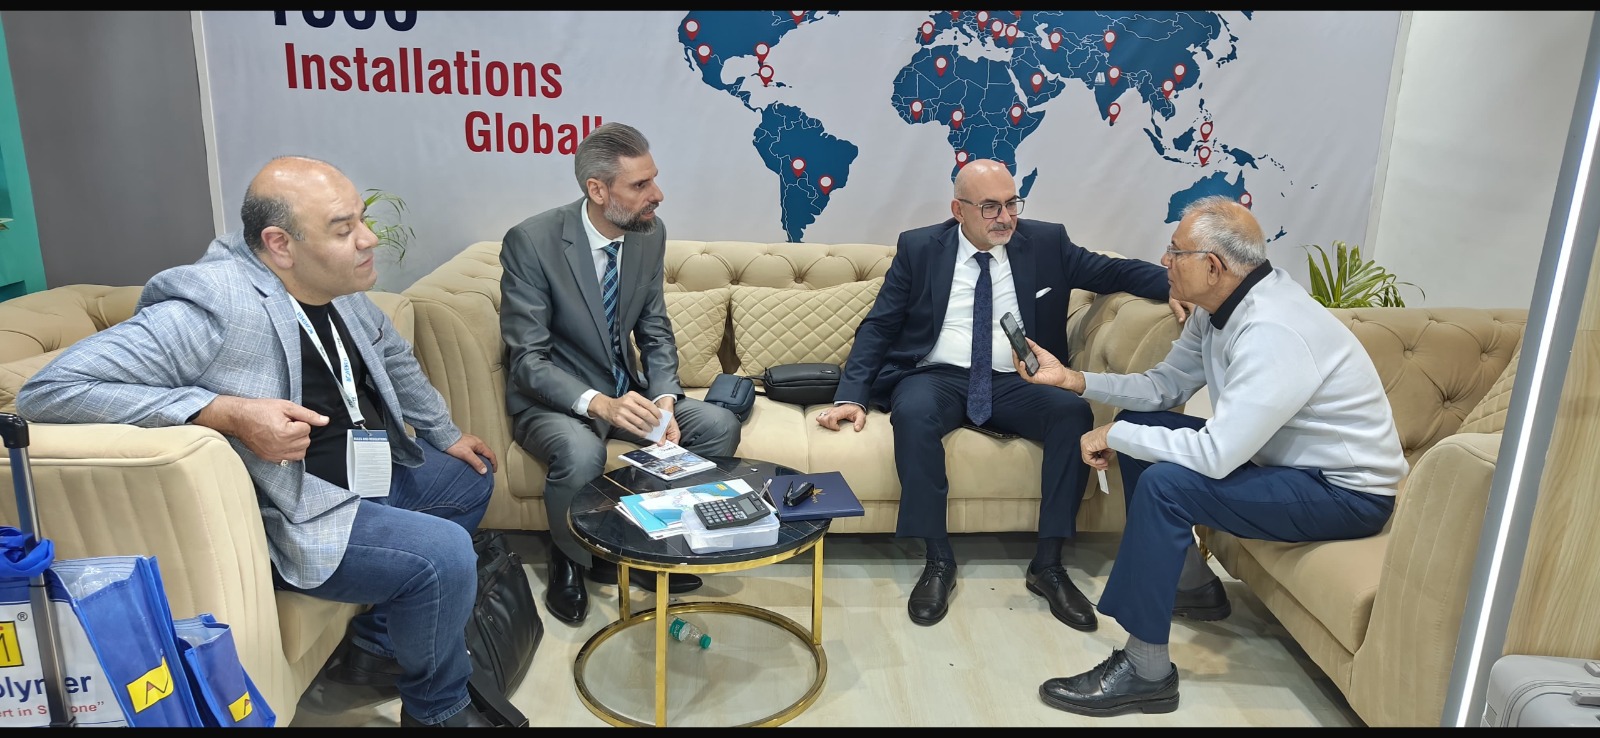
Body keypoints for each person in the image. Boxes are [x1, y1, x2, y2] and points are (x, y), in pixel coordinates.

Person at [17, 156, 501, 728]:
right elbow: (49, 391)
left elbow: (392, 357)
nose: (369, 238)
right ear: (280, 245)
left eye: (361, 220)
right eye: (343, 229)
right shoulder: (214, 306)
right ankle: (437, 711)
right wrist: (224, 412)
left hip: (362, 478)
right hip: (298, 509)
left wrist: (446, 434)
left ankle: (378, 643)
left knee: (471, 474)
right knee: (444, 554)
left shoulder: (336, 283)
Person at [1015, 195, 1407, 717]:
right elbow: (1163, 387)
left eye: (1175, 252)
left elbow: (1218, 454)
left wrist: (1115, 435)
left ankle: (1147, 671)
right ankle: (1194, 588)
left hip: (1343, 493)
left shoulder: (1273, 329)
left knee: (1165, 482)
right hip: (1285, 467)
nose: (1164, 261)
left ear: (1214, 267)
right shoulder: (1220, 307)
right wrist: (1074, 379)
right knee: (1145, 427)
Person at [816, 159, 1185, 629]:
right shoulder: (920, 248)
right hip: (937, 375)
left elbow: (1116, 273)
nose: (1006, 217)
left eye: (1012, 203)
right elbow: (880, 325)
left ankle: (1048, 565)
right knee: (913, 412)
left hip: (1018, 379)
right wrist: (851, 395)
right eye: (990, 207)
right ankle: (938, 559)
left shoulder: (1046, 242)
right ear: (959, 210)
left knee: (1071, 415)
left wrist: (1180, 286)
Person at [500, 122, 741, 625]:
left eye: (654, 179)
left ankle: (647, 542)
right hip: (556, 400)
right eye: (640, 185)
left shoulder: (649, 235)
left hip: (626, 391)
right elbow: (527, 360)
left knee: (718, 426)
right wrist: (600, 404)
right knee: (581, 452)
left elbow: (655, 329)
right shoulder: (532, 241)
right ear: (597, 190)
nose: (658, 195)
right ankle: (571, 561)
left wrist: (665, 398)